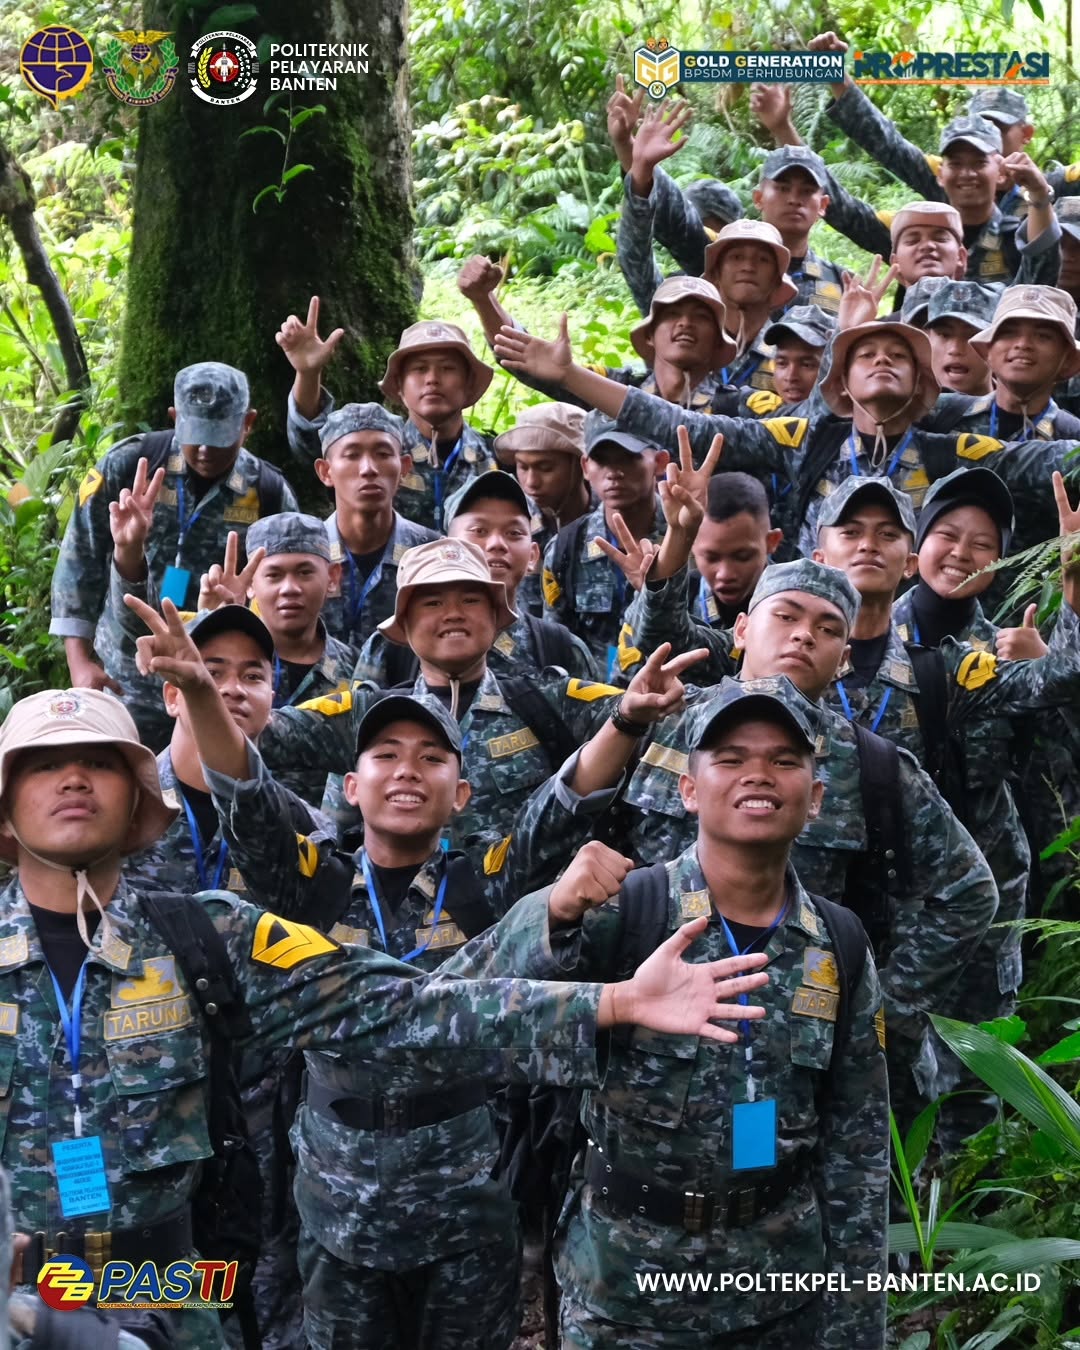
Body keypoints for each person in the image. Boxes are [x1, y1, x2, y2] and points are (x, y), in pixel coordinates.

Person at [0, 688, 762, 1348]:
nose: (73, 777)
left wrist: (618, 1000)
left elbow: (405, 1007)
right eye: (43, 763)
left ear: (136, 796)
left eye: (100, 762)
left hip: (168, 1288)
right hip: (17, 1292)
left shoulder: (208, 935)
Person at [461, 677, 890, 1349]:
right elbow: (465, 1009)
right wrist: (551, 912)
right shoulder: (625, 912)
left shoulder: (840, 944)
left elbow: (858, 1148)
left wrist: (858, 1324)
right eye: (730, 757)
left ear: (816, 801)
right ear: (688, 791)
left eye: (784, 760)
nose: (759, 775)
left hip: (777, 1292)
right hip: (625, 1293)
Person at [257, 537, 636, 844]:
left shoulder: (547, 700)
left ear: (495, 617)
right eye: (433, 602)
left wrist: (657, 593)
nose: (453, 613)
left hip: (519, 921)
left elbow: (646, 707)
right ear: (404, 627)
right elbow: (254, 735)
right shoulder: (366, 713)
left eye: (470, 600)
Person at [49, 363, 297, 750]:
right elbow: (79, 561)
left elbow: (283, 589)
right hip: (123, 679)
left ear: (248, 423)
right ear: (174, 417)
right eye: (194, 434)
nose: (204, 449)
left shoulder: (268, 491)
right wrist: (79, 663)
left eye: (219, 437)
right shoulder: (127, 466)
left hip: (211, 687)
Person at [612, 93, 844, 322]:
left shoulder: (841, 282)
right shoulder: (722, 263)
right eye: (783, 188)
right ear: (758, 198)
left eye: (806, 191)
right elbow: (674, 214)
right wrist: (629, 149)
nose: (794, 199)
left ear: (823, 204)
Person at [355, 470, 598, 686]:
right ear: (445, 545)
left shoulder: (560, 649)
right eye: (479, 531)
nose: (496, 544)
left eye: (513, 533)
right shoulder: (393, 645)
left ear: (533, 555)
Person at [459, 260, 782, 419]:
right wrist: (484, 300)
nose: (685, 323)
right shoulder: (619, 384)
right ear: (651, 335)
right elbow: (529, 361)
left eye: (700, 317)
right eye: (672, 315)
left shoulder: (740, 406)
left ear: (717, 341)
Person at [284, 317, 497, 533]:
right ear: (399, 387)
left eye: (448, 368)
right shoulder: (382, 453)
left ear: (469, 383)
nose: (432, 378)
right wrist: (308, 374)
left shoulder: (496, 458)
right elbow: (311, 442)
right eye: (420, 369)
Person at [541, 415, 669, 680]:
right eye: (602, 460)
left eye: (628, 458)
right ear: (586, 467)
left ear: (659, 463)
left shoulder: (683, 536)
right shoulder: (567, 547)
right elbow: (555, 642)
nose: (614, 473)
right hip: (594, 701)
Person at [491, 402, 592, 615]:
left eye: (545, 468)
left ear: (580, 465)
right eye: (522, 467)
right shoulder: (507, 517)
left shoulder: (613, 515)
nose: (531, 481)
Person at [690, 473, 781, 629]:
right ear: (691, 545)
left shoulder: (797, 604)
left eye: (742, 557)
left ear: (771, 542)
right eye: (711, 558)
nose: (725, 574)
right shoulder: (675, 598)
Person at [763, 303, 835, 406]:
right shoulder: (761, 413)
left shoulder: (851, 419)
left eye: (807, 365)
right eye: (782, 363)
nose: (791, 377)